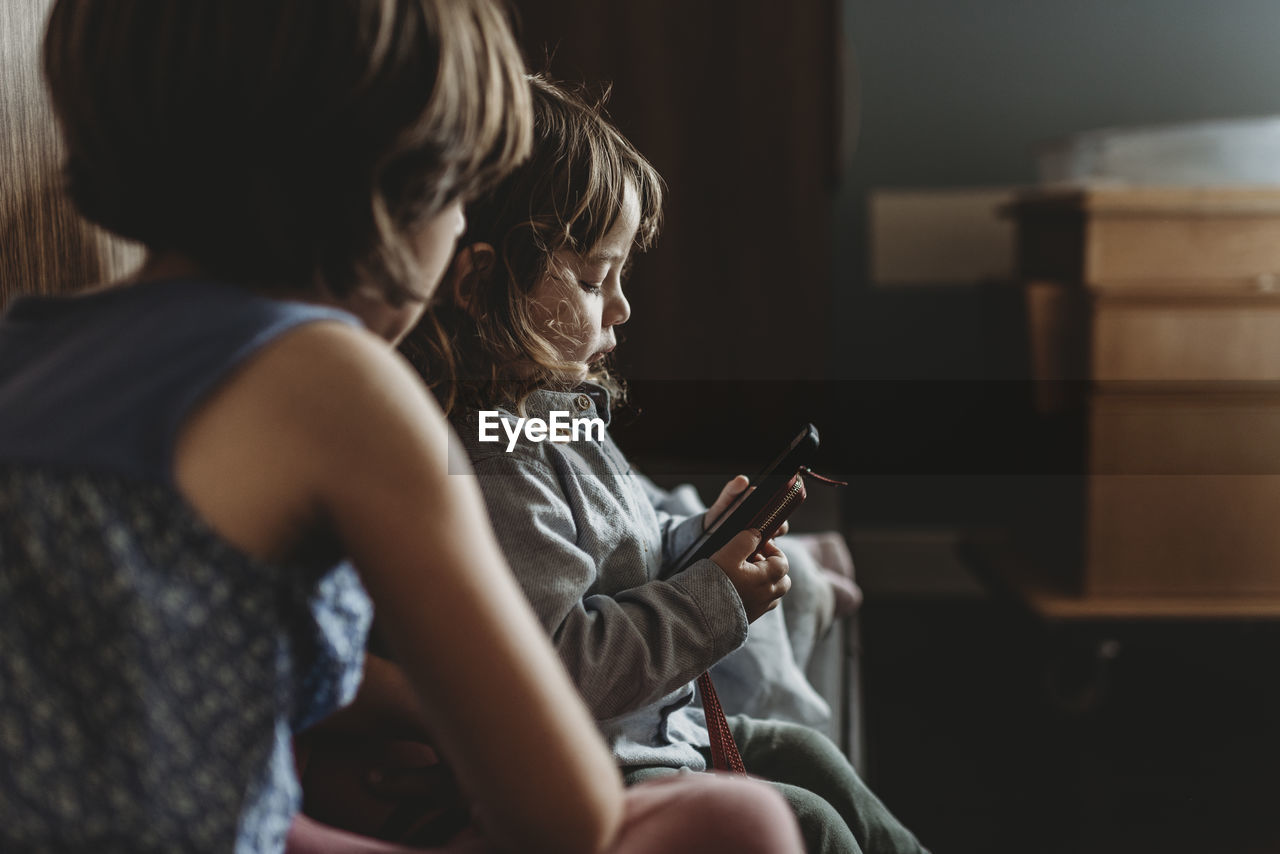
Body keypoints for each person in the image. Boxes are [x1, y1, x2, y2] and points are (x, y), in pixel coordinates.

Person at [0, 3, 805, 853]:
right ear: (383, 191)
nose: (465, 230)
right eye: (463, 191)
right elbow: (563, 816)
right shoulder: (346, 389)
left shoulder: (25, 350)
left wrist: (430, 710)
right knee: (737, 819)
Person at [406, 75, 929, 854]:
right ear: (481, 283)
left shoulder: (552, 418)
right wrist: (710, 600)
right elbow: (559, 668)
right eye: (590, 280)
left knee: (808, 756)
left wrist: (697, 540)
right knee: (808, 824)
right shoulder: (490, 459)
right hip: (592, 766)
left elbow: (620, 558)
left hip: (650, 734)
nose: (620, 308)